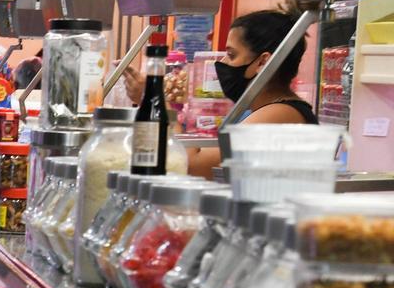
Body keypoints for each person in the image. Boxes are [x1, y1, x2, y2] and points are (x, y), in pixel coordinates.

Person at [126, 9, 317, 179]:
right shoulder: (258, 110)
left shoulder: (280, 114)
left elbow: (191, 166)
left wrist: (154, 98)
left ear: (262, 62)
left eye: (232, 55)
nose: (223, 62)